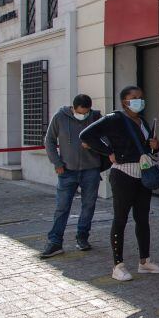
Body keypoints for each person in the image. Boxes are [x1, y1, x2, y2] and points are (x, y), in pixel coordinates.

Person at [79, 85, 159, 281]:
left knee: (142, 219)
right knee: (121, 219)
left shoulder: (142, 121)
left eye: (141, 97)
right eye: (134, 97)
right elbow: (86, 136)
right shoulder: (115, 119)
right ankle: (118, 265)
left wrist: (155, 145)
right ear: (124, 102)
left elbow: (147, 148)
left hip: (142, 175)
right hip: (123, 175)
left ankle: (145, 261)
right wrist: (108, 151)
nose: (139, 101)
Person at [40, 95, 105, 258]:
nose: (83, 115)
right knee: (62, 207)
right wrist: (57, 163)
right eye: (80, 112)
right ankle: (55, 242)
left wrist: (93, 145)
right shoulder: (60, 117)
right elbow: (49, 141)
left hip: (91, 170)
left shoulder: (96, 118)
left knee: (88, 205)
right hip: (67, 171)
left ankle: (82, 237)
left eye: (86, 112)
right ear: (73, 108)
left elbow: (108, 140)